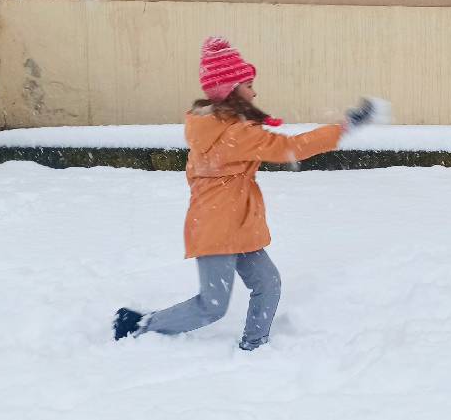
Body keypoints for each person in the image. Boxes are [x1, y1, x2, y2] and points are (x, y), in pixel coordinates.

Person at [114, 36, 383, 350]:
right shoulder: (233, 134)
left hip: (234, 222)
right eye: (248, 84)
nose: (254, 91)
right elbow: (290, 148)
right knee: (212, 306)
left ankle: (255, 345)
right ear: (231, 89)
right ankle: (139, 325)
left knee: (268, 284)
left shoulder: (217, 127)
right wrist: (344, 127)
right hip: (217, 226)